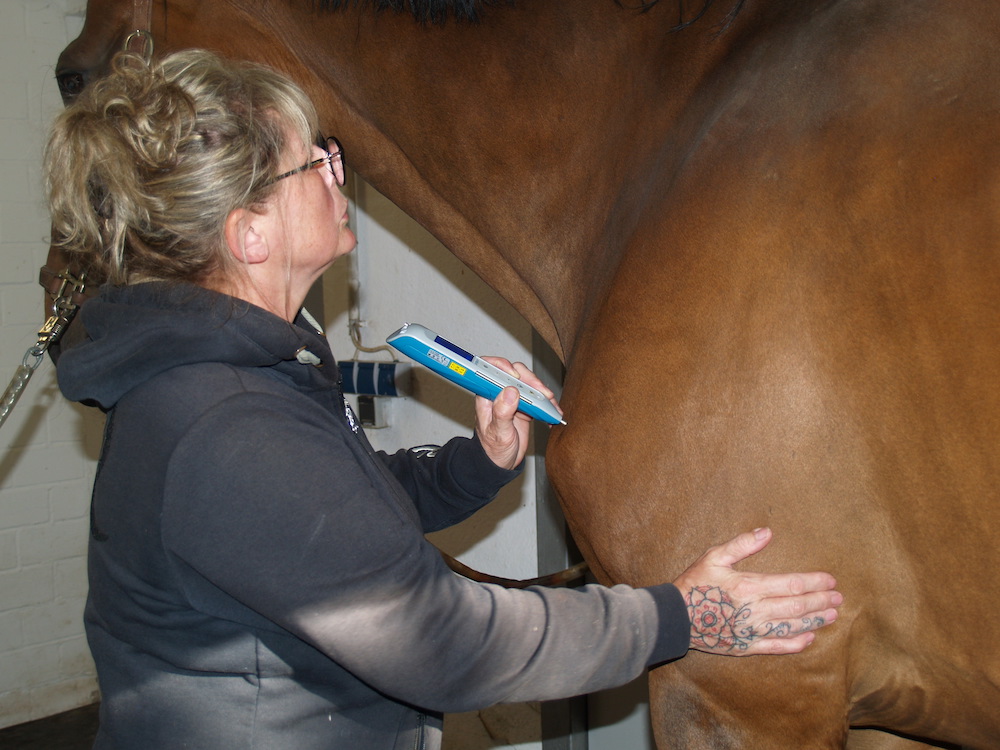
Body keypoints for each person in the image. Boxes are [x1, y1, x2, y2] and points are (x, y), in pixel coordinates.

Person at [45, 49, 843, 750]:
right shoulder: (225, 425)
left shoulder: (247, 377)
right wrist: (681, 617)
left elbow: (347, 507)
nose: (337, 172)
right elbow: (447, 642)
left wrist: (478, 461)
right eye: (313, 163)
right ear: (250, 234)